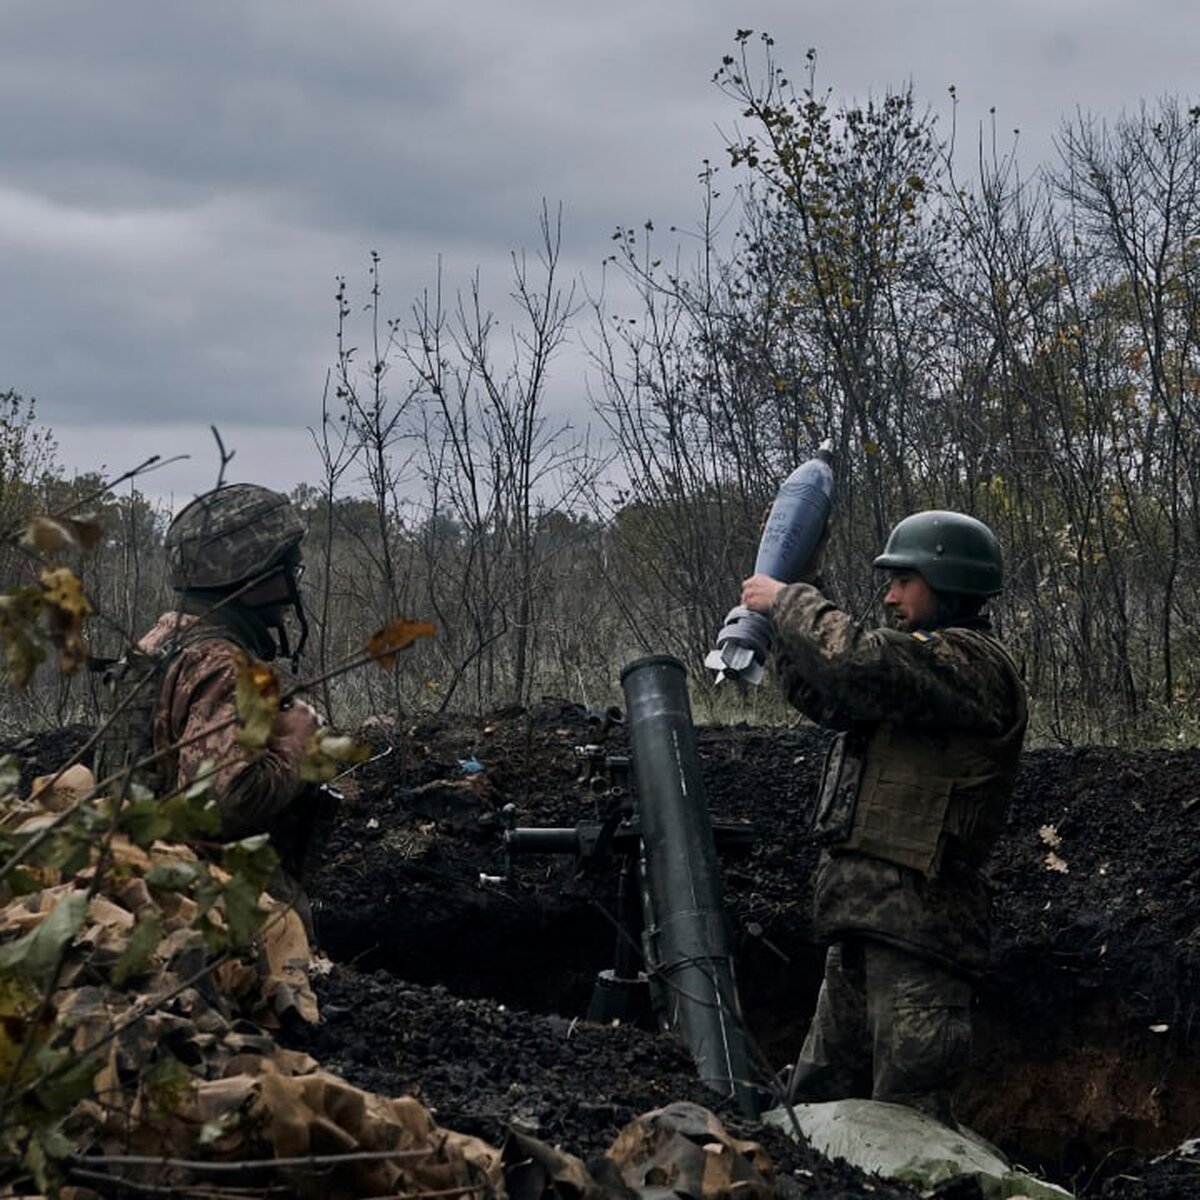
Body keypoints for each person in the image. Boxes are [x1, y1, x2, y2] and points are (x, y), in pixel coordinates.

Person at [740, 509, 1027, 1122]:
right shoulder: (916, 675)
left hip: (922, 943)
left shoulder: (971, 665)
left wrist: (789, 599)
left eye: (904, 580)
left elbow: (858, 662)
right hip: (863, 931)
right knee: (812, 1115)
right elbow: (832, 691)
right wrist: (794, 591)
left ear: (946, 581)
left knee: (908, 1131)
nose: (890, 596)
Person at [95, 483, 324, 918]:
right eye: (286, 568)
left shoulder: (160, 640)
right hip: (206, 905)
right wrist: (297, 744)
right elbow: (225, 801)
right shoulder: (221, 663)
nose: (294, 580)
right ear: (251, 576)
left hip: (136, 882)